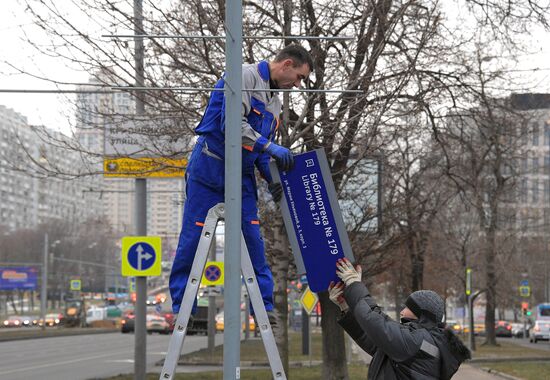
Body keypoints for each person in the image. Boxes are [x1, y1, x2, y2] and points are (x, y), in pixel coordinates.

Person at [170, 45, 314, 319]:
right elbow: (232, 126)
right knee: (193, 239)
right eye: (298, 77)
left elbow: (257, 147)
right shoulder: (243, 77)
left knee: (253, 240)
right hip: (210, 170)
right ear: (285, 65)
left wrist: (269, 175)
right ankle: (182, 306)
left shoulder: (275, 101)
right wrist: (271, 148)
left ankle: (263, 307)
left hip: (242, 176)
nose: (297, 85)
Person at [329, 258, 471, 379]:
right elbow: (375, 343)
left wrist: (354, 284)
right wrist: (345, 306)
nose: (402, 312)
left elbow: (375, 321)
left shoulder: (418, 341)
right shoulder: (420, 340)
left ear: (421, 314)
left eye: (407, 308)